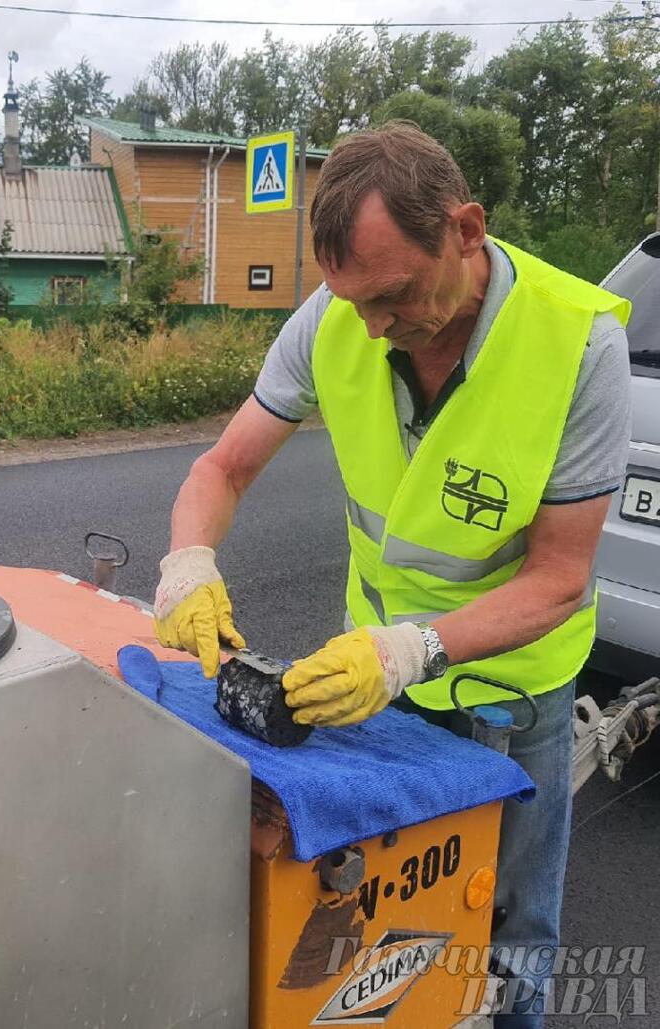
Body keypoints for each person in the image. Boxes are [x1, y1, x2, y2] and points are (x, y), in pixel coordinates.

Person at [153, 121, 632, 1028]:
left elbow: (561, 577)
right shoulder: (339, 316)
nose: (372, 326)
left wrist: (415, 648)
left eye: (394, 294)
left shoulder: (578, 345)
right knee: (390, 925)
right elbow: (221, 469)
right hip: (373, 682)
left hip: (514, 690)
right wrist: (188, 561)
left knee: (510, 930)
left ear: (465, 228)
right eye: (351, 299)